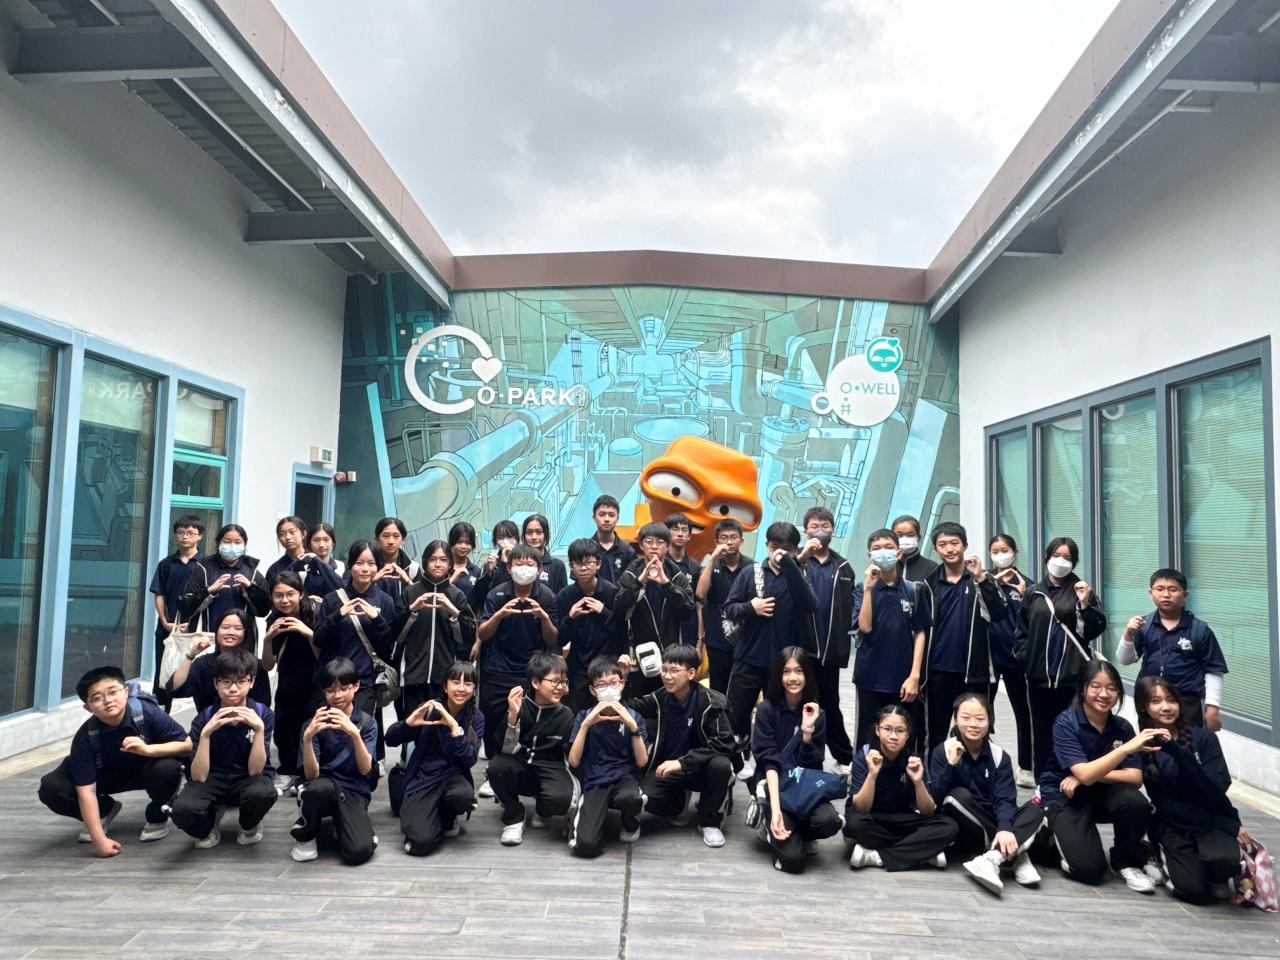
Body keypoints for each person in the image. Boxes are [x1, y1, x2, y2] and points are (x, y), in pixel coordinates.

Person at [37, 666, 191, 856]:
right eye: (97, 698)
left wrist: (147, 750)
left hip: (147, 769)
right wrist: (99, 840)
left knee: (169, 768)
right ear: (88, 707)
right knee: (51, 787)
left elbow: (186, 745)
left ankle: (157, 815)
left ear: (125, 692)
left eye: (113, 692)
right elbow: (86, 791)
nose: (108, 700)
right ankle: (104, 811)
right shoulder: (86, 736)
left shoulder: (147, 713)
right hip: (106, 775)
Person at [1035, 660, 1158, 892]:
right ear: (1083, 688)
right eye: (1095, 686)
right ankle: (1047, 837)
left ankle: (1127, 862)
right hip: (1066, 795)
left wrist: (1086, 775)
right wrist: (1124, 750)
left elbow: (1135, 778)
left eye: (1111, 688)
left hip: (1101, 795)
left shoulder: (1122, 727)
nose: (1104, 694)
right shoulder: (1066, 722)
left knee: (1135, 803)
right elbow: (1086, 773)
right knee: (1089, 870)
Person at [1134, 675, 1248, 902]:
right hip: (1173, 824)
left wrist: (1175, 750)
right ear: (1144, 707)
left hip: (1212, 818)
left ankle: (1209, 868)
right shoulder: (1144, 747)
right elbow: (1168, 807)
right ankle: (1159, 855)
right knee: (1194, 890)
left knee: (1225, 864)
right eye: (1156, 701)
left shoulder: (1204, 738)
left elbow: (1215, 791)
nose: (1166, 707)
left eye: (1171, 700)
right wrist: (1228, 825)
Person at [724, 522, 817, 776]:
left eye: (787, 548)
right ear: (766, 546)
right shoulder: (750, 572)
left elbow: (809, 605)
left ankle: (777, 762)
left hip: (783, 664)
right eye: (775, 546)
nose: (780, 552)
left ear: (795, 549)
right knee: (736, 713)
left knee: (780, 715)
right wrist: (750, 607)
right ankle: (738, 761)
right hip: (748, 658)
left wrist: (791, 565)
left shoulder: (800, 574)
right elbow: (729, 608)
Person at [930, 693, 1044, 893]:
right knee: (958, 796)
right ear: (955, 719)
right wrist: (951, 764)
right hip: (964, 828)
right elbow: (936, 799)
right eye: (966, 718)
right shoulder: (943, 751)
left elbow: (1005, 799)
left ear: (990, 721)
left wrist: (1005, 828)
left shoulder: (999, 756)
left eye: (980, 719)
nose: (973, 724)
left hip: (994, 822)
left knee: (1037, 806)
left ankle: (995, 856)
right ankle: (1017, 855)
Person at [1014, 537, 1107, 776]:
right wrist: (1027, 659)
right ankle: (1043, 782)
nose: (1060, 561)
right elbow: (1022, 632)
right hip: (1039, 678)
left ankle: (1072, 778)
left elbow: (1094, 630)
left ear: (1074, 562)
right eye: (1056, 556)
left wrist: (1084, 605)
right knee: (1041, 734)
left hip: (1071, 678)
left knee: (1072, 731)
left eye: (1067, 557)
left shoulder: (1081, 591)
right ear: (1046, 558)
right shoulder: (1033, 592)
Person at [630, 644, 736, 848]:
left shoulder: (711, 701)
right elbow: (633, 705)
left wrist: (682, 763)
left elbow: (725, 743)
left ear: (691, 673)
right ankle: (679, 804)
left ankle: (710, 820)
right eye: (664, 670)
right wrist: (623, 678)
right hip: (670, 769)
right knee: (645, 796)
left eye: (674, 671)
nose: (667, 676)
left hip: (701, 768)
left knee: (721, 765)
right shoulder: (661, 697)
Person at [170, 648, 278, 848]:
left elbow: (255, 770)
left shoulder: (262, 714)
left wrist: (259, 730)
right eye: (226, 681)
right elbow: (199, 776)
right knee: (182, 810)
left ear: (251, 682)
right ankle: (208, 825)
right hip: (213, 778)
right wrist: (205, 734)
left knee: (263, 792)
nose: (233, 688)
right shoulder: (204, 717)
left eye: (241, 681)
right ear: (216, 684)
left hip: (247, 777)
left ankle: (249, 824)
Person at [750, 646, 843, 872]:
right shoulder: (766, 710)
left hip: (802, 786)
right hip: (776, 786)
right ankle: (770, 823)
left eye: (799, 671)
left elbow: (813, 764)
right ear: (778, 675)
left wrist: (807, 731)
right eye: (786, 671)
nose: (793, 678)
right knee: (792, 861)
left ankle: (800, 832)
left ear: (807, 675)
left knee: (830, 821)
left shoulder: (817, 713)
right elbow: (769, 763)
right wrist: (775, 810)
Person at [919, 522, 1007, 754]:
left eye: (954, 543)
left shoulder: (981, 578)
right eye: (942, 544)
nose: (949, 549)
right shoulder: (929, 583)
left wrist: (981, 578)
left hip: (974, 672)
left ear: (965, 545)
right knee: (935, 732)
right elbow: (921, 628)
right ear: (935, 549)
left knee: (974, 731)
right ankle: (935, 774)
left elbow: (999, 613)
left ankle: (976, 773)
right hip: (938, 670)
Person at [473, 545, 560, 765]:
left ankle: (522, 766)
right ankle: (493, 765)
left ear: (539, 569)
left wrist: (543, 617)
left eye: (530, 564)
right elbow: (482, 633)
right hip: (497, 668)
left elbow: (553, 639)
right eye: (519, 564)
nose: (524, 569)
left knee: (528, 719)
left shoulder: (547, 596)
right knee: (493, 718)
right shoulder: (497, 593)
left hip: (531, 670)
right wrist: (499, 615)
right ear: (509, 568)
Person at [844, 704, 957, 871]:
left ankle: (877, 856)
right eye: (887, 729)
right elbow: (860, 807)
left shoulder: (913, 758)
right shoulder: (865, 755)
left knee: (949, 826)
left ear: (908, 734)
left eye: (900, 731)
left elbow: (927, 811)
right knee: (855, 825)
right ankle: (921, 852)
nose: (893, 736)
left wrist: (918, 782)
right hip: (872, 818)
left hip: (901, 818)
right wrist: (872, 774)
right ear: (877, 730)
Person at [387, 661, 483, 855]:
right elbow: (390, 740)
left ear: (474, 690)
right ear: (445, 686)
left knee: (462, 796)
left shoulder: (476, 717)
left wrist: (454, 728)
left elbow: (470, 759)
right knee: (421, 843)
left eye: (468, 684)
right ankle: (431, 820)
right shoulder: (429, 709)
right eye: (455, 682)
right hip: (423, 777)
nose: (461, 688)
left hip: (453, 777)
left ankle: (447, 817)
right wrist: (407, 724)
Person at [291, 657, 380, 864]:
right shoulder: (314, 723)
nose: (337, 695)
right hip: (322, 785)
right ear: (324, 692)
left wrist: (354, 734)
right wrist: (308, 738)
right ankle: (306, 834)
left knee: (358, 852)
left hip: (353, 789)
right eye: (330, 690)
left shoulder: (367, 723)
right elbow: (311, 775)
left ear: (355, 686)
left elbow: (366, 770)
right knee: (316, 789)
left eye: (343, 688)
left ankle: (347, 827)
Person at [1117, 568, 1228, 730]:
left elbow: (1214, 670)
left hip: (1187, 702)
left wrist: (1212, 708)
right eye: (1159, 589)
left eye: (1173, 589)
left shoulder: (1199, 629)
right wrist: (1128, 634)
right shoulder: (1143, 625)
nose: (1166, 594)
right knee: (1153, 743)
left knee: (1189, 744)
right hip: (1150, 701)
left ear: (1185, 594)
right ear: (1151, 593)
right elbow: (1125, 660)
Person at [487, 651, 575, 845]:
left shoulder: (566, 714)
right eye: (555, 682)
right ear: (535, 682)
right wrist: (512, 715)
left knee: (561, 800)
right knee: (496, 767)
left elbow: (571, 757)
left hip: (551, 767)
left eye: (563, 682)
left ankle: (543, 808)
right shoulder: (519, 705)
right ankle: (514, 816)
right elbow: (501, 748)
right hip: (520, 765)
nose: (560, 687)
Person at [852, 529, 929, 751]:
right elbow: (865, 626)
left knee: (905, 735)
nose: (883, 552)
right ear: (869, 556)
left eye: (888, 547)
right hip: (869, 676)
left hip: (903, 679)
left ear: (898, 552)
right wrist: (868, 589)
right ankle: (865, 771)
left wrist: (914, 676)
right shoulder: (861, 589)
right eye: (876, 549)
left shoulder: (914, 590)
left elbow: (921, 632)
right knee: (868, 736)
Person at [567, 656, 648, 857]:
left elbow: (642, 762)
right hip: (595, 780)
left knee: (631, 798)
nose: (609, 689)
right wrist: (586, 724)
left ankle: (630, 821)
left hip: (625, 778)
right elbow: (574, 761)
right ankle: (584, 822)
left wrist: (633, 727)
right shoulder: (583, 716)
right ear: (592, 690)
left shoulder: (634, 716)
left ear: (622, 684)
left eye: (614, 683)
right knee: (586, 847)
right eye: (601, 685)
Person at [798, 507, 856, 773]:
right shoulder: (798, 562)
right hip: (801, 651)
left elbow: (850, 608)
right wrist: (800, 557)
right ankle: (807, 759)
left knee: (831, 705)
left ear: (833, 530)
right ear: (805, 530)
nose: (819, 530)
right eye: (814, 526)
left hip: (829, 652)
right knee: (801, 706)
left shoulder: (843, 567)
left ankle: (844, 757)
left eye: (824, 526)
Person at [392, 540, 476, 716]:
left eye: (443, 560)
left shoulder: (456, 595)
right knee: (411, 725)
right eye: (433, 559)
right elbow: (395, 632)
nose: (438, 564)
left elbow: (468, 635)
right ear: (425, 562)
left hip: (445, 678)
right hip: (412, 675)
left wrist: (453, 611)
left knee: (441, 726)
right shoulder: (410, 592)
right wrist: (412, 609)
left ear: (450, 564)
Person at [614, 521, 697, 697]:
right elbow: (618, 608)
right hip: (638, 653)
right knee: (640, 701)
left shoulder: (675, 574)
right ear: (641, 545)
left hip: (670, 652)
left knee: (669, 700)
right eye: (649, 542)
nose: (654, 547)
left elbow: (687, 611)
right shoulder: (631, 572)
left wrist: (667, 584)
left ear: (667, 546)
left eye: (660, 542)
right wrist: (640, 581)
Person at [315, 540, 396, 719]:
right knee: (332, 730)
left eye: (371, 563)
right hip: (333, 683)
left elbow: (386, 646)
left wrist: (376, 619)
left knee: (361, 730)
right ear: (350, 565)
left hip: (365, 683)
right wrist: (338, 615)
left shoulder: (385, 601)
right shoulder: (332, 599)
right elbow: (318, 639)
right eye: (359, 563)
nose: (365, 569)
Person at [260, 572, 322, 794]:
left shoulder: (315, 612)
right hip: (288, 680)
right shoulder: (274, 619)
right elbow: (267, 665)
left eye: (290, 594)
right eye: (278, 595)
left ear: (301, 594)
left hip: (316, 680)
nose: (284, 600)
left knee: (310, 726)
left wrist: (308, 633)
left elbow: (323, 655)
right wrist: (268, 640)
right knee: (285, 726)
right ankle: (287, 771)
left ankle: (306, 775)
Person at [986, 533, 1035, 787]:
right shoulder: (984, 580)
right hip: (989, 659)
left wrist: (1025, 594)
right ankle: (984, 762)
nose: (1000, 555)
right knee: (982, 712)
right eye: (995, 551)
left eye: (1004, 550)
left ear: (1015, 553)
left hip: (1017, 660)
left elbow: (1035, 619)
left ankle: (1027, 766)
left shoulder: (1027, 584)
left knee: (1024, 713)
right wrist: (991, 582)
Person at [556, 538, 623, 712]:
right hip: (578, 668)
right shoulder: (565, 596)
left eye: (588, 562)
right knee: (579, 714)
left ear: (598, 564)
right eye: (578, 563)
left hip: (607, 666)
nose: (584, 568)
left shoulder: (611, 592)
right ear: (571, 567)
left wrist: (604, 612)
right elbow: (559, 639)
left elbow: (622, 634)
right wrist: (570, 617)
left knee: (609, 713)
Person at [148, 514, 205, 711]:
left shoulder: (205, 564)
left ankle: (202, 715)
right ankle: (163, 714)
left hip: (196, 629)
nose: (185, 536)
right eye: (180, 532)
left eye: (190, 532)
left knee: (197, 673)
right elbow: (159, 594)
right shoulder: (166, 564)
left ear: (200, 536)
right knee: (164, 672)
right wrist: (164, 621)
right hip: (169, 628)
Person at [166, 609, 271, 713]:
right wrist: (190, 655)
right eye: (225, 627)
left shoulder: (255, 664)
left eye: (237, 628)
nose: (230, 632)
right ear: (217, 631)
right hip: (208, 720)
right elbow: (176, 690)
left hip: (248, 721)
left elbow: (263, 704)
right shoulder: (203, 663)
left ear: (246, 633)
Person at [176, 522, 270, 636]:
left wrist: (251, 588)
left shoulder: (252, 572)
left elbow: (264, 610)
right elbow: (185, 606)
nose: (232, 546)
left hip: (242, 639)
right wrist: (209, 591)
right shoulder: (203, 569)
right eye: (227, 541)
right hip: (206, 638)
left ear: (245, 545)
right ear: (218, 543)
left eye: (237, 542)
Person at [695, 518, 750, 695]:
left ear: (741, 541)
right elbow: (700, 594)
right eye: (724, 538)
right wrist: (712, 559)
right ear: (716, 542)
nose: (729, 542)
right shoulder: (712, 565)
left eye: (733, 537)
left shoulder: (751, 566)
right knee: (718, 688)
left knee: (741, 688)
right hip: (717, 638)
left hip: (744, 639)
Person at [664, 514, 703, 647]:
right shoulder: (659, 564)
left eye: (684, 530)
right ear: (667, 533)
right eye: (675, 529)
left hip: (688, 630)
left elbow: (699, 605)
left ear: (689, 535)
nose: (680, 534)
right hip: (664, 629)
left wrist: (700, 640)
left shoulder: (695, 567)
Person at [470, 519, 519, 608]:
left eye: (510, 536)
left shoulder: (526, 560)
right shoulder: (492, 562)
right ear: (495, 541)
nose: (506, 541)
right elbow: (479, 595)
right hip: (495, 608)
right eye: (501, 537)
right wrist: (488, 573)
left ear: (517, 538)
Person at [372, 517, 419, 605]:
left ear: (403, 540)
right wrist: (372, 580)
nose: (391, 541)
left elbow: (423, 600)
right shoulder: (366, 566)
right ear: (377, 539)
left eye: (396, 536)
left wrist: (407, 581)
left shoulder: (413, 568)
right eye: (386, 536)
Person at [590, 494, 635, 584]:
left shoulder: (628, 551)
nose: (607, 519)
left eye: (611, 515)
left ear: (617, 518)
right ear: (594, 518)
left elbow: (631, 585)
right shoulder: (585, 549)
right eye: (602, 515)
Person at [292, 522, 345, 597]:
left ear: (333, 543)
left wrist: (318, 561)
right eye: (316, 540)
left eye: (326, 540)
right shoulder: (301, 566)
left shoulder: (341, 566)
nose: (321, 545)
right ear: (309, 544)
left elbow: (342, 590)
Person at [522, 513, 568, 594]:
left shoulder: (557, 565)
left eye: (539, 532)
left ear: (546, 535)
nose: (534, 537)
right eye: (529, 533)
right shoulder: (516, 563)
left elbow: (562, 597)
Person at [892, 515, 936, 582]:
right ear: (891, 538)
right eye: (899, 535)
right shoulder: (885, 565)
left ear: (918, 538)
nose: (905, 539)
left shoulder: (932, 568)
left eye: (910, 535)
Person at [266, 515, 309, 583]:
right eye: (282, 534)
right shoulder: (275, 570)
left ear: (303, 534)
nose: (288, 537)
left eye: (292, 532)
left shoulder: (314, 560)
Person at [447, 521, 482, 599]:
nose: (463, 546)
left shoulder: (476, 571)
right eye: (459, 542)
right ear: (451, 543)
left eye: (467, 543)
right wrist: (452, 580)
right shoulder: (442, 568)